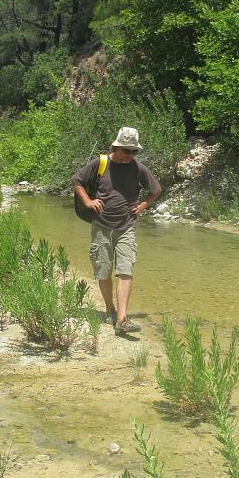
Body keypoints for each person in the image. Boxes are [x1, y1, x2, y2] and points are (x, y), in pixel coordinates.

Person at [72, 127, 161, 336]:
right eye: (126, 151)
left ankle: (122, 319)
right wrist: (88, 201)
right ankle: (110, 310)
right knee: (103, 271)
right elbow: (77, 180)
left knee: (125, 270)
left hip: (127, 226)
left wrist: (142, 206)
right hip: (101, 226)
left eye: (133, 151)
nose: (129, 155)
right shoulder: (101, 163)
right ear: (116, 147)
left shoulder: (139, 168)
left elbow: (155, 190)